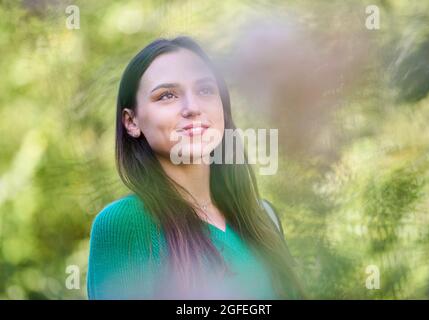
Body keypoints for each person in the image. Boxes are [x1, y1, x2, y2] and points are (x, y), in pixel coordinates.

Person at [87, 36, 302, 299]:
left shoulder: (263, 217)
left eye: (205, 90)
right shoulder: (123, 224)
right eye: (167, 95)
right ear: (131, 122)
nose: (192, 108)